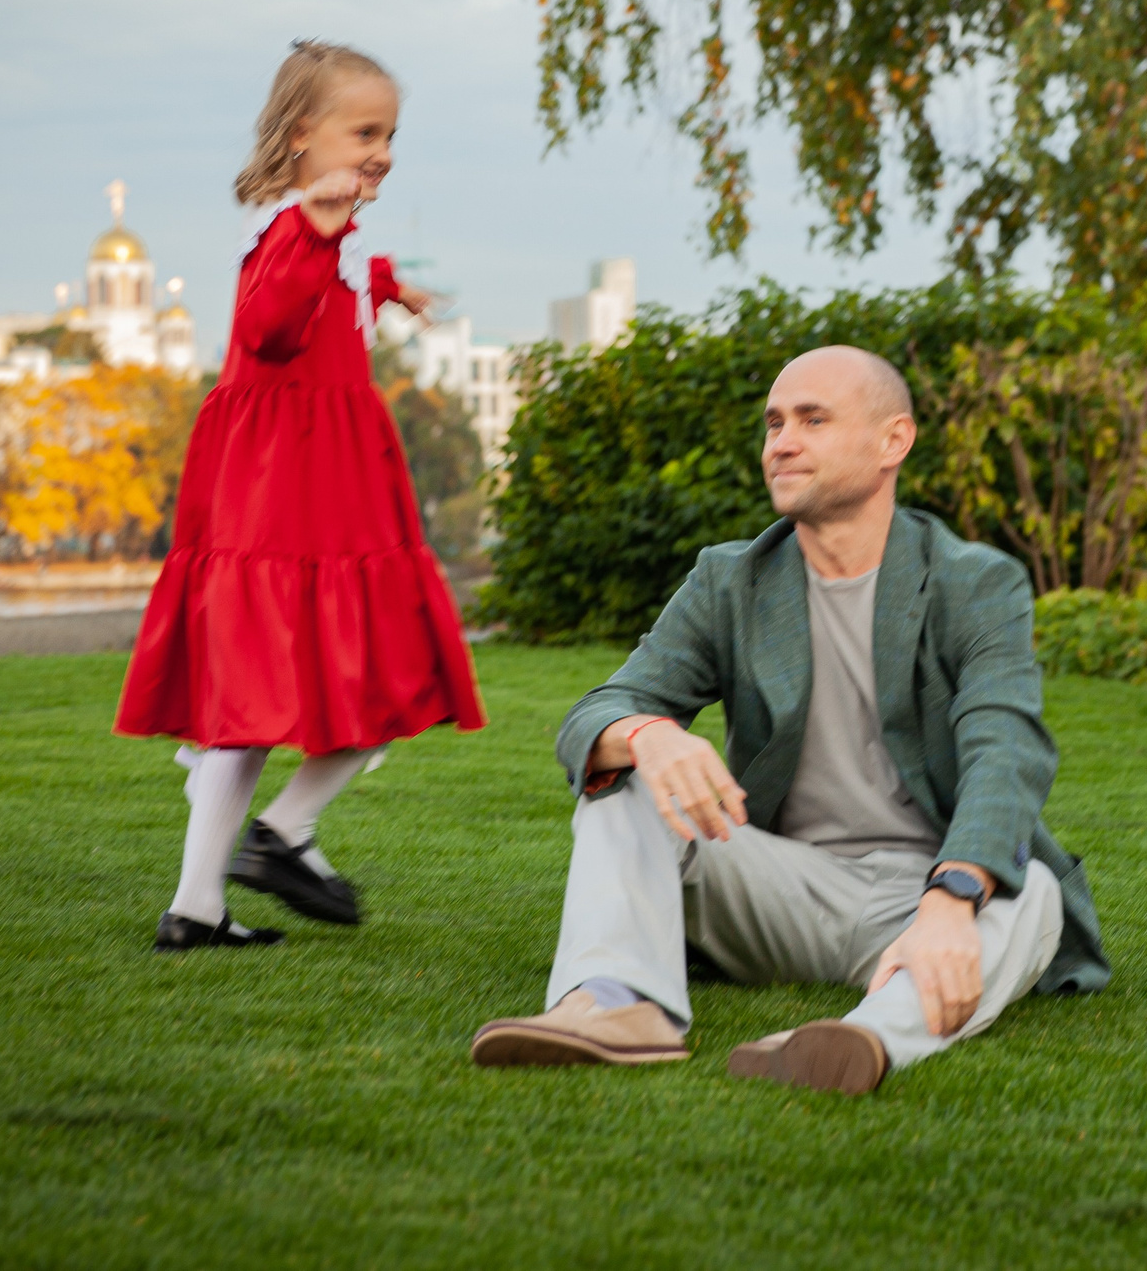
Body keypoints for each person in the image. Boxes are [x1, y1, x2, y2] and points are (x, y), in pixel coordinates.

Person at [468, 346, 1108, 1094]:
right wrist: (649, 734)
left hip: (926, 896)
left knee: (1030, 888)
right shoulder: (729, 580)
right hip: (779, 890)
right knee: (623, 780)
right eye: (774, 423)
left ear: (893, 441)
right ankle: (615, 1004)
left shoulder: (975, 581)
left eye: (813, 420)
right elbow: (596, 714)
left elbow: (1007, 748)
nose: (783, 442)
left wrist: (951, 897)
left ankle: (863, 1036)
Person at [117, 40, 486, 951]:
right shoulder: (293, 231)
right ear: (299, 136)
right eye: (365, 133)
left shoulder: (330, 234)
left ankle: (199, 905)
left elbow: (343, 281)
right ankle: (282, 833)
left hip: (317, 479)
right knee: (385, 665)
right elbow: (269, 326)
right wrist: (320, 235)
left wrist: (390, 284)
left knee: (262, 704)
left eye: (390, 135)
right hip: (294, 488)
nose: (383, 151)